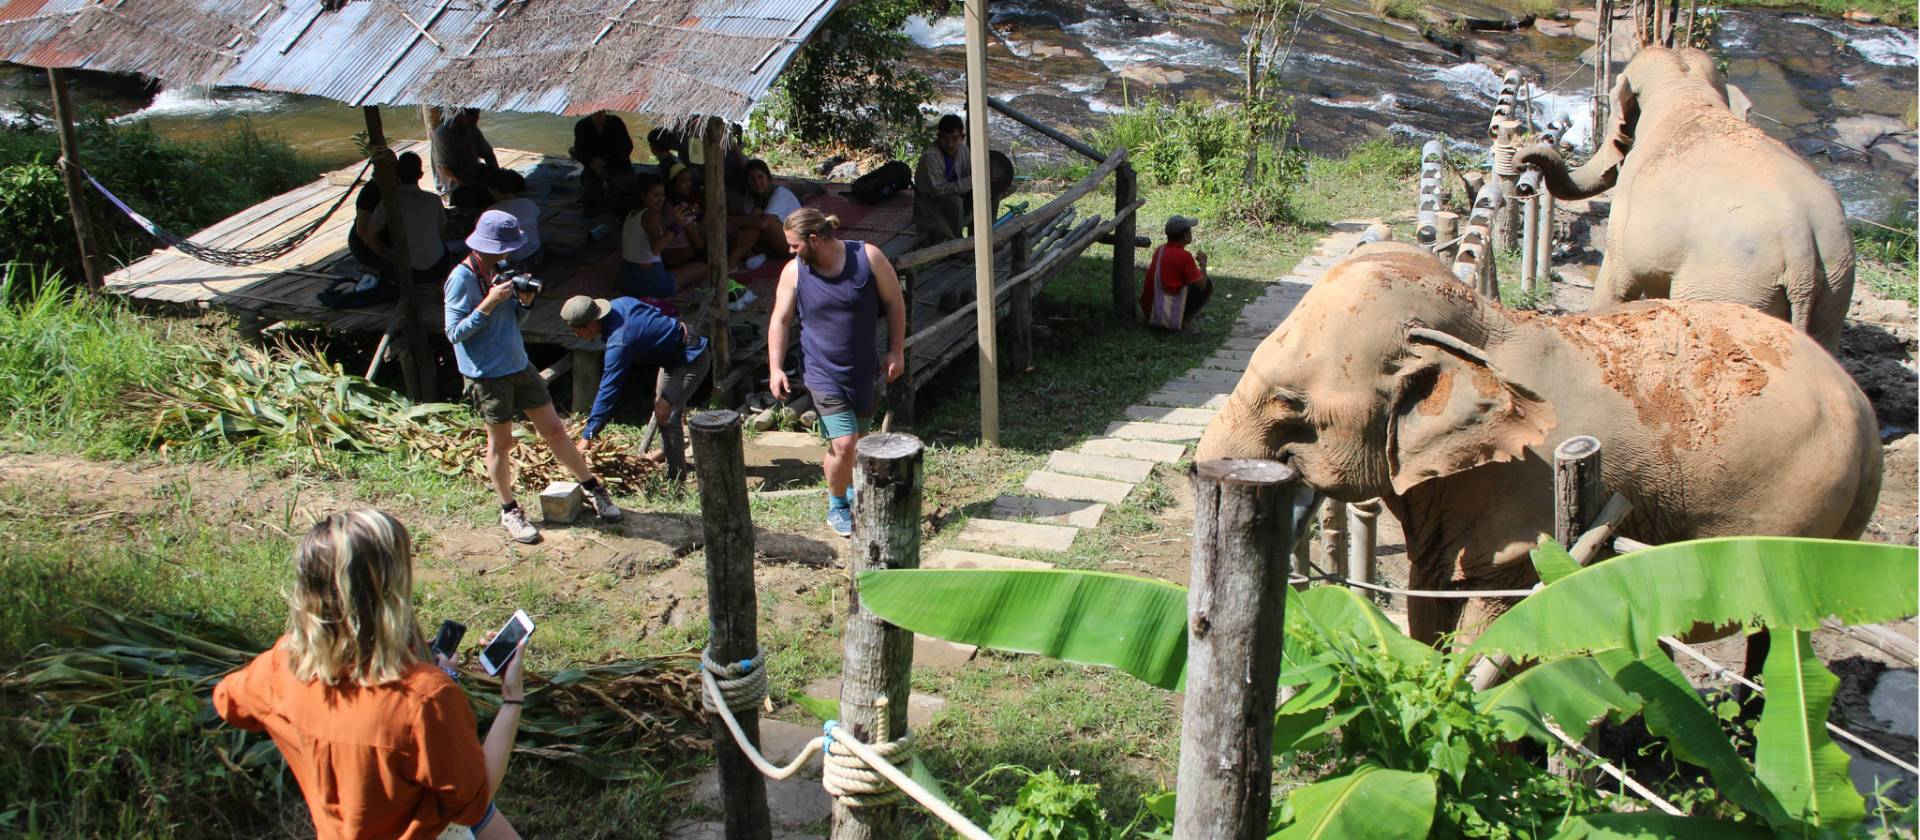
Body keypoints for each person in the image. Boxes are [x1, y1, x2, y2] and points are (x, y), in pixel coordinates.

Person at [213, 509, 527, 840]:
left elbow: (226, 702)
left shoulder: (281, 666)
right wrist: (512, 697)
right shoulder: (426, 700)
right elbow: (474, 802)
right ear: (389, 592)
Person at [445, 210, 622, 543]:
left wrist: (523, 303)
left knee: (555, 428)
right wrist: (488, 303)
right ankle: (509, 509)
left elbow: (513, 322)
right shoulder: (461, 279)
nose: (508, 253)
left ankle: (592, 487)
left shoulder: (500, 270)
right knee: (502, 443)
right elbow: (454, 332)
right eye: (504, 248)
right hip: (487, 375)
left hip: (518, 364)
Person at [766, 209, 906, 537]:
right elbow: (780, 320)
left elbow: (895, 303)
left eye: (794, 245)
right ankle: (837, 504)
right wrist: (775, 367)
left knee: (850, 448)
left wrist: (895, 350)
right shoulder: (794, 273)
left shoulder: (867, 257)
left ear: (815, 240)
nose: (790, 251)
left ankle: (842, 483)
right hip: (821, 372)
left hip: (862, 370)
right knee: (846, 444)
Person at [561, 295, 710, 481]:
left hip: (690, 357)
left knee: (664, 413)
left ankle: (676, 476)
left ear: (591, 325)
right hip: (673, 352)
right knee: (661, 405)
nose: (576, 335)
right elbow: (655, 312)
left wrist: (587, 437)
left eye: (576, 331)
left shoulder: (620, 341)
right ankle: (667, 452)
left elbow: (608, 390)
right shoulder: (621, 303)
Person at [618, 172, 706, 299]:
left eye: (663, 195)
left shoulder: (631, 214)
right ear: (643, 196)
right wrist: (677, 224)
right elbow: (656, 248)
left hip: (626, 282)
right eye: (656, 195)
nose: (661, 199)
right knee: (702, 268)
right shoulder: (651, 215)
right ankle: (680, 296)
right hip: (650, 284)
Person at [371, 151, 453, 284]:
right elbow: (442, 235)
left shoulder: (388, 203)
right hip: (437, 268)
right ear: (420, 174)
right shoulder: (434, 200)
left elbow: (369, 236)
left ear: (397, 174)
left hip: (407, 270)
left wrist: (389, 256)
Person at [1140, 215, 1212, 330]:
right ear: (1185, 236)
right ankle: (1181, 323)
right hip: (1164, 314)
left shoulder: (1160, 250)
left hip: (1149, 312)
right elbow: (1201, 285)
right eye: (1189, 231)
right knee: (1207, 285)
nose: (1191, 233)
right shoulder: (1184, 256)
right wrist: (1203, 263)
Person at [727, 159, 802, 270]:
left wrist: (729, 218)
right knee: (750, 222)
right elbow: (748, 222)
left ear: (768, 177)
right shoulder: (752, 197)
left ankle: (731, 261)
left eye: (760, 177)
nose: (757, 183)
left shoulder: (780, 194)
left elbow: (763, 223)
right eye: (752, 179)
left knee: (763, 221)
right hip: (770, 242)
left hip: (795, 244)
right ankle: (750, 256)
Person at [912, 114, 972, 243]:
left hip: (953, 195)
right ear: (939, 138)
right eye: (945, 139)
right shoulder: (931, 157)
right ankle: (957, 244)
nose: (950, 144)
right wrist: (971, 182)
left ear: (962, 138)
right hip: (930, 204)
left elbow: (967, 175)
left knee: (988, 193)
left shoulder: (963, 150)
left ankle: (979, 238)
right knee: (955, 202)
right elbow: (940, 190)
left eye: (955, 138)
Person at [434, 108, 500, 211]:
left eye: (477, 115)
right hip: (455, 187)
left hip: (475, 177)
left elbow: (488, 153)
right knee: (478, 205)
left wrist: (495, 172)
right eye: (471, 116)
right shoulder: (443, 134)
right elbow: (446, 170)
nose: (476, 119)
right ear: (460, 114)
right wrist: (473, 184)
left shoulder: (472, 129)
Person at [572, 110, 633, 216]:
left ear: (605, 111)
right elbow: (580, 151)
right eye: (595, 112)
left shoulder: (616, 122)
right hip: (593, 166)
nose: (598, 115)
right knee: (591, 197)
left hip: (617, 163)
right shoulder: (582, 126)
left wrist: (606, 162)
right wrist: (592, 162)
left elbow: (627, 147)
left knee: (626, 193)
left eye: (601, 112)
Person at [485, 168, 542, 268]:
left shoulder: (493, 211)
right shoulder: (529, 203)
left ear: (495, 190)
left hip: (516, 261)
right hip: (537, 253)